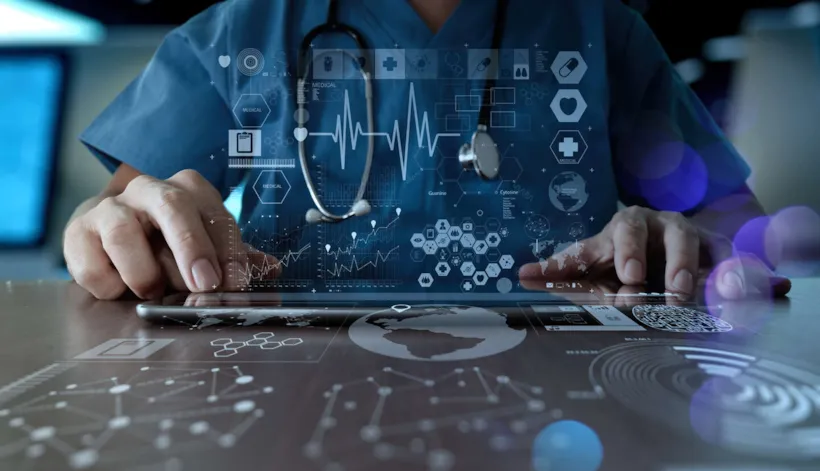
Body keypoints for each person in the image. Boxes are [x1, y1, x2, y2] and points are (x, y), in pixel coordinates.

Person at [63, 0, 790, 300]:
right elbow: (123, 219)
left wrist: (691, 241)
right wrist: (110, 228)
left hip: (571, 412)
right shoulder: (240, 32)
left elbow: (752, 244)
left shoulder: (602, 31)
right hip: (294, 403)